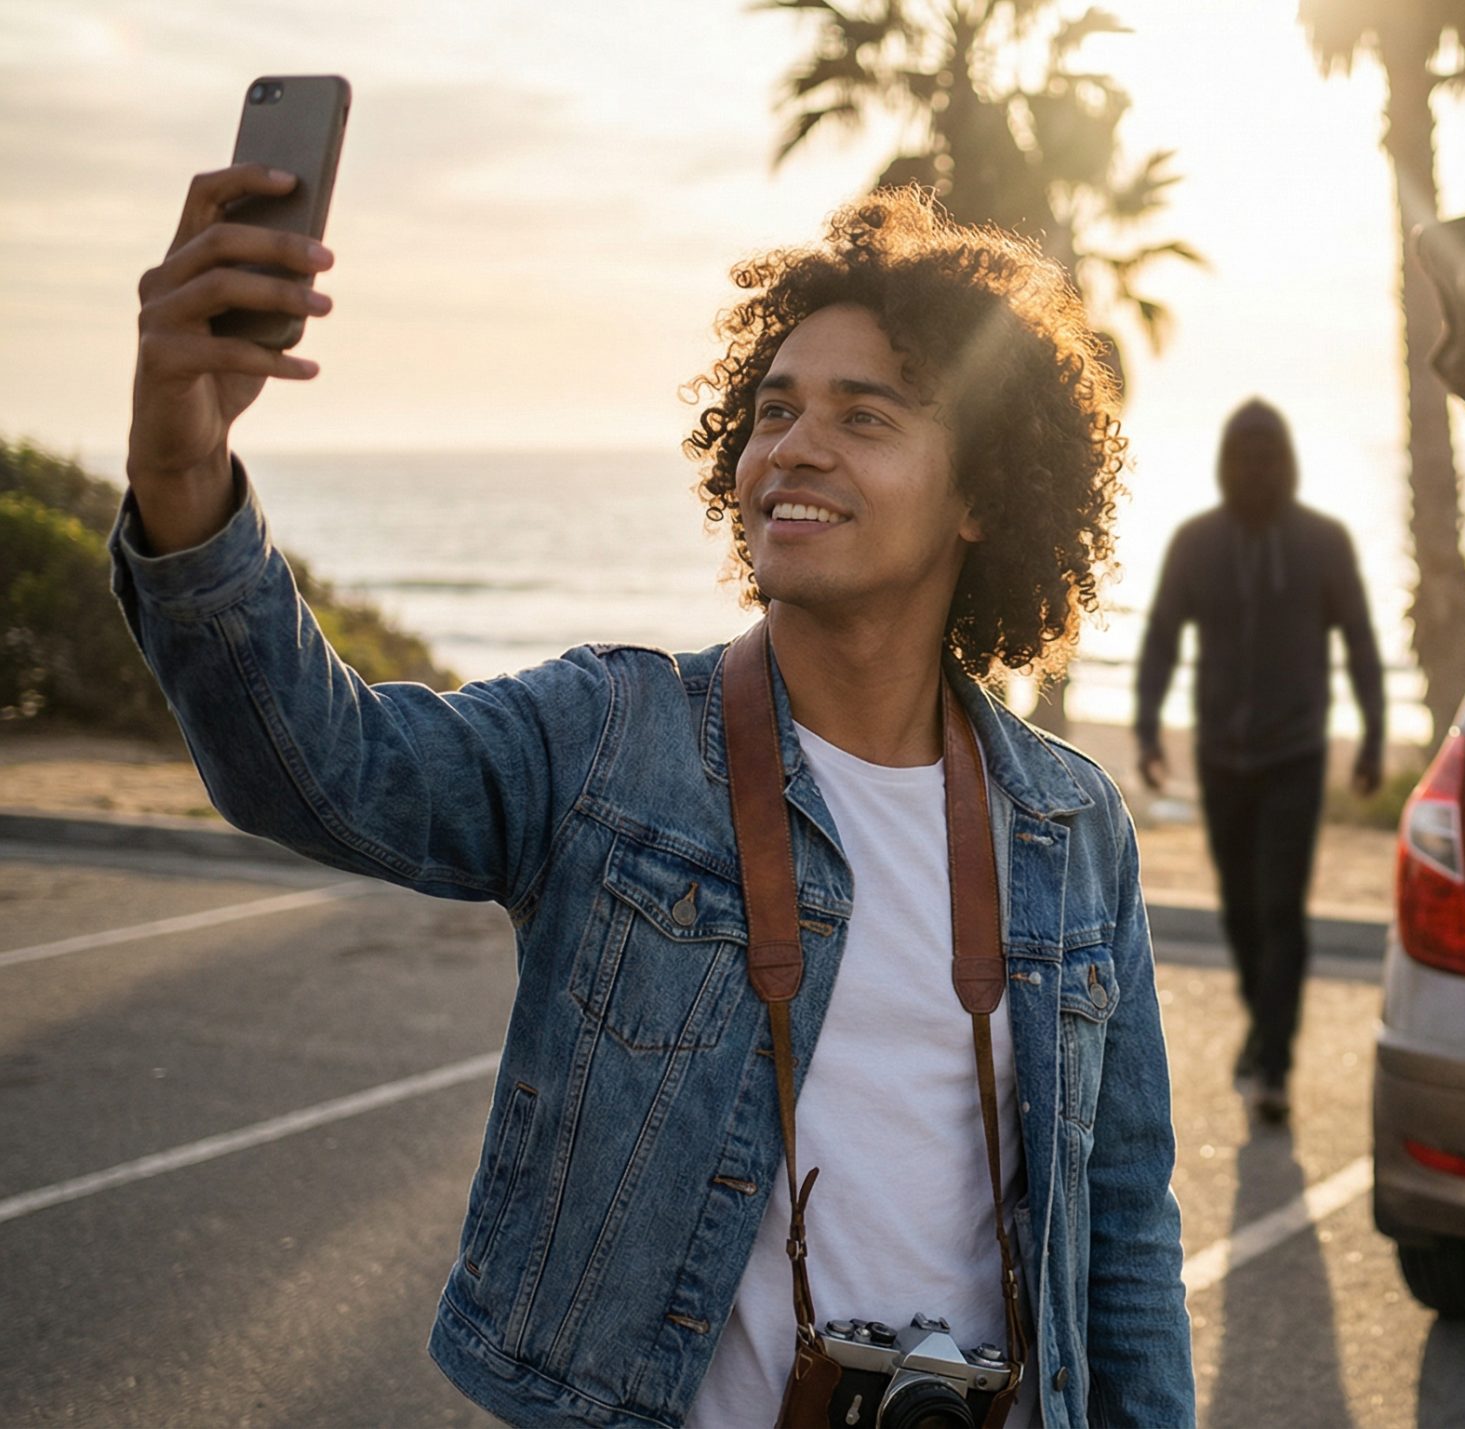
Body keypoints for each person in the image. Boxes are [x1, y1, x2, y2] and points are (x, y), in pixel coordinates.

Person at [116, 172, 1192, 1429]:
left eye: (865, 416)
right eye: (775, 408)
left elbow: (1121, 1230)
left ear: (981, 495)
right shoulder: (611, 736)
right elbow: (321, 764)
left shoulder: (1067, 825)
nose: (793, 446)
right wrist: (182, 467)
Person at [1132, 399, 1386, 1125]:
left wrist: (1371, 737)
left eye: (1267, 454)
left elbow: (1361, 642)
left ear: (1287, 462)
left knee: (1281, 905)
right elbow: (1160, 639)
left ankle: (1272, 1063)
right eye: (1243, 454)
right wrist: (1147, 728)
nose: (1255, 467)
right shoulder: (1197, 542)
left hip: (1295, 753)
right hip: (1222, 753)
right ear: (1225, 462)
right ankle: (1262, 1027)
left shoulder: (1323, 542)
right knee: (1242, 909)